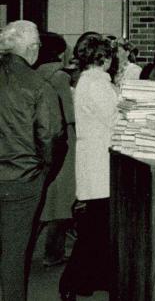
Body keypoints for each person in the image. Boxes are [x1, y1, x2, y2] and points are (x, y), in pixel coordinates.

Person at [0, 20, 62, 301]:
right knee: (14, 254)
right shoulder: (40, 86)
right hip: (22, 181)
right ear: (32, 48)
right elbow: (51, 137)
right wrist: (43, 173)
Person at [59, 37, 120, 301]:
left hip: (93, 160)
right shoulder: (97, 84)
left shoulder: (87, 81)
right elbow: (115, 118)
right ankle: (71, 281)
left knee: (97, 226)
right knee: (95, 228)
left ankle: (85, 281)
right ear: (103, 58)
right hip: (99, 161)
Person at [34, 32, 76, 268]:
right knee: (62, 199)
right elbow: (69, 114)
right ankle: (54, 252)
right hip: (65, 141)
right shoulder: (60, 77)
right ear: (60, 52)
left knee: (47, 198)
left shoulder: (35, 73)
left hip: (42, 141)